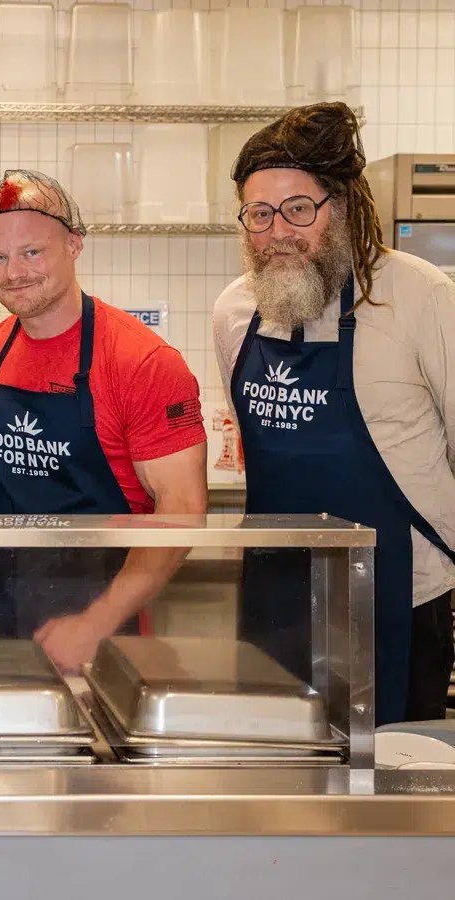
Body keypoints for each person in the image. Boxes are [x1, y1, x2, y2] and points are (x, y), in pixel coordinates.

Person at [213, 102, 455, 725]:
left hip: (405, 591)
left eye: (299, 209)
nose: (278, 232)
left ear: (341, 207)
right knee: (282, 772)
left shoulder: (420, 295)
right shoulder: (235, 310)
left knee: (396, 786)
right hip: (277, 590)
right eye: (259, 214)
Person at [0, 170, 208, 670]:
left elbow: (183, 507)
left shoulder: (141, 360)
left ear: (74, 246)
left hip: (101, 624)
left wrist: (95, 624)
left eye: (32, 252)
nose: (13, 273)